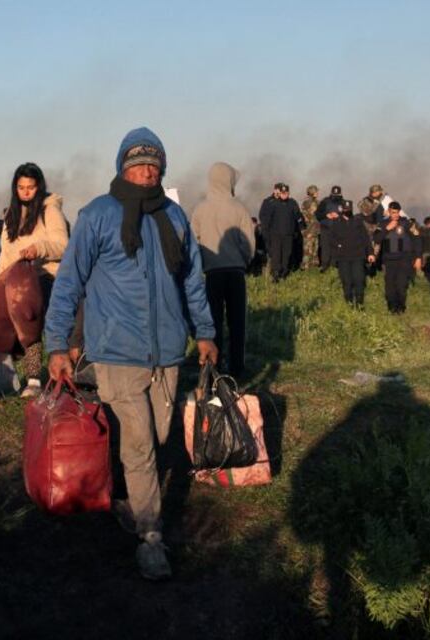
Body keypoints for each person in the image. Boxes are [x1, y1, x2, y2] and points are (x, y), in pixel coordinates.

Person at [44, 127, 217, 581]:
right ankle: (150, 537)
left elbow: (192, 282)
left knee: (158, 438)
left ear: (162, 170)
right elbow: (69, 284)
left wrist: (204, 332)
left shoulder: (175, 218)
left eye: (153, 166)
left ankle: (125, 496)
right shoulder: (98, 215)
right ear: (122, 167)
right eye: (137, 164)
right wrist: (57, 343)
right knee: (140, 442)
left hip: (168, 353)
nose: (145, 172)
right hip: (117, 351)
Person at [0, 162, 69, 397]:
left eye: (31, 187)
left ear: (39, 187)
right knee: (28, 330)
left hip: (48, 277)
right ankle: (34, 378)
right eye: (21, 187)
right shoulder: (11, 216)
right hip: (19, 282)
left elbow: (63, 245)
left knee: (48, 326)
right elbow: (6, 254)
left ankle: (65, 373)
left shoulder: (50, 211)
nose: (26, 192)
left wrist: (39, 248)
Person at [192, 162, 254, 377]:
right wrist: (244, 261)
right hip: (236, 273)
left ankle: (213, 369)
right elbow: (248, 244)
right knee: (237, 323)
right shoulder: (239, 208)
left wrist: (202, 264)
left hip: (212, 275)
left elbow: (193, 243)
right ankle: (237, 368)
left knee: (213, 322)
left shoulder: (200, 209)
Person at [323, 198, 374, 306]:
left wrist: (370, 253)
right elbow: (331, 240)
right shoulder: (336, 223)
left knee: (359, 280)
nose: (347, 211)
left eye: (349, 209)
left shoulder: (358, 221)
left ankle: (359, 303)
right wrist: (337, 248)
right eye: (345, 209)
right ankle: (349, 302)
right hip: (343, 258)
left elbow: (366, 238)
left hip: (357, 256)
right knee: (346, 281)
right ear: (342, 209)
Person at [374, 202, 421, 313]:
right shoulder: (382, 223)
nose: (395, 214)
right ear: (389, 212)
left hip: (404, 259)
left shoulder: (406, 223)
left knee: (401, 284)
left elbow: (417, 239)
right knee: (390, 286)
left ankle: (401, 307)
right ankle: (392, 308)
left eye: (397, 212)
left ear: (399, 211)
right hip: (389, 260)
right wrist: (387, 229)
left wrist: (418, 257)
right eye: (392, 212)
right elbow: (376, 239)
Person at [258, 182, 302, 282]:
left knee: (287, 255)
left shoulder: (292, 203)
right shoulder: (272, 204)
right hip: (275, 235)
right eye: (282, 192)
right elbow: (266, 220)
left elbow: (298, 217)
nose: (284, 194)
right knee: (276, 255)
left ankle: (284, 273)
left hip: (288, 235)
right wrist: (266, 234)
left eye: (286, 192)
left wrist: (298, 230)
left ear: (288, 193)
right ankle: (276, 275)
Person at [315, 186, 344, 270]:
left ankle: (334, 265)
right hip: (326, 228)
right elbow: (318, 214)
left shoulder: (343, 203)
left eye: (337, 194)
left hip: (338, 229)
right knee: (325, 247)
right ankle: (324, 266)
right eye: (334, 194)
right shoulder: (325, 201)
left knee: (336, 247)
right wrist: (326, 215)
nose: (335, 196)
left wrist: (339, 216)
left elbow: (348, 216)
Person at [299, 185, 320, 270]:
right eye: (316, 192)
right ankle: (306, 268)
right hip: (309, 230)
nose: (318, 193)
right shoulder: (309, 202)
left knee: (315, 250)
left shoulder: (315, 202)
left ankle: (313, 267)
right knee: (308, 251)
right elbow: (313, 214)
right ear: (312, 192)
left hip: (315, 230)